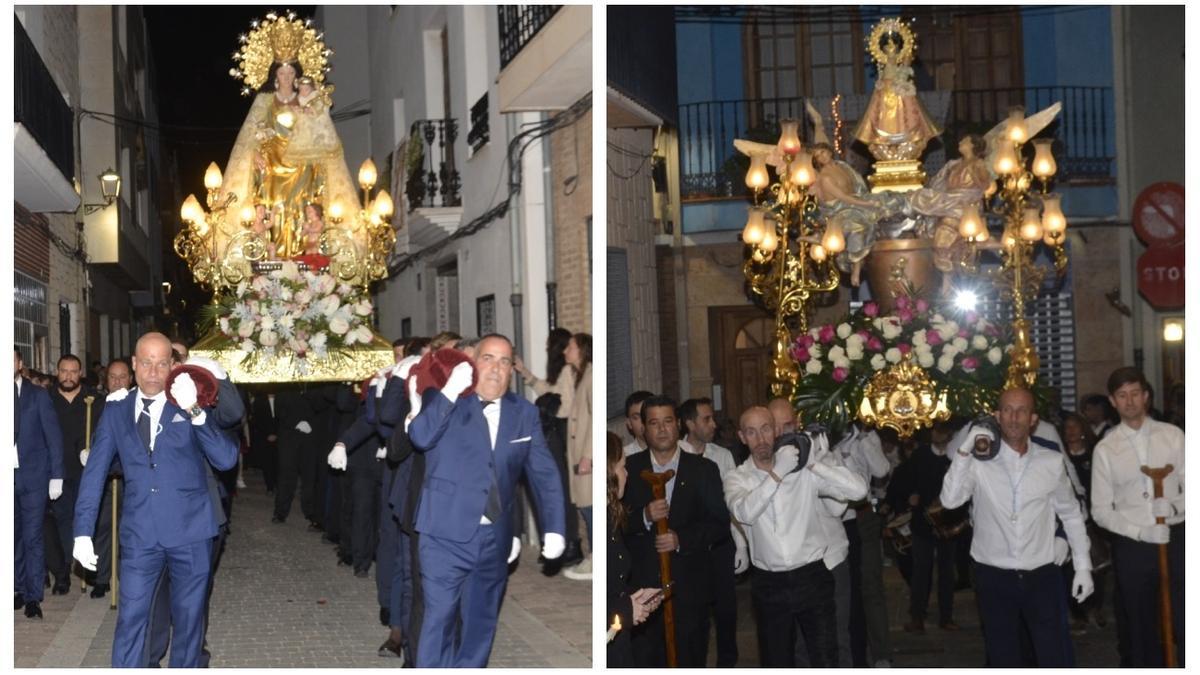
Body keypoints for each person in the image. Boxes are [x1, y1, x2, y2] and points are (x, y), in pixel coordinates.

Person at [72, 332, 238, 667]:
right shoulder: (116, 409)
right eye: (146, 363)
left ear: (172, 366)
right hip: (140, 535)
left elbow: (227, 459)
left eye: (162, 363)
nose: (153, 371)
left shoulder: (187, 400)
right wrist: (82, 532)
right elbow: (95, 473)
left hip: (191, 532)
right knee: (131, 619)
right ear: (134, 365)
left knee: (189, 624)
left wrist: (196, 411)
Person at [408, 334, 566, 667]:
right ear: (472, 362)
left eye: (505, 361)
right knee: (439, 620)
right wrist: (450, 390)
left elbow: (544, 473)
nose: (496, 368)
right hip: (443, 534)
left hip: (493, 539)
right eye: (488, 358)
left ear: (512, 370)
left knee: (480, 627)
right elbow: (420, 437)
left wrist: (555, 528)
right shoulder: (447, 401)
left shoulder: (522, 413)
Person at [940, 387, 1093, 666]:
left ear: (1033, 419)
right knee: (1003, 658)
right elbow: (950, 501)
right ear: (997, 416)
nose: (1013, 418)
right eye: (1007, 410)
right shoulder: (978, 462)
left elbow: (1071, 514)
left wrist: (1083, 566)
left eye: (1021, 411)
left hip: (1042, 575)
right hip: (993, 576)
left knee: (1053, 657)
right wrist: (964, 450)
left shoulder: (1051, 460)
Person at [724, 406, 866, 666]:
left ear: (777, 430)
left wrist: (815, 463)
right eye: (751, 432)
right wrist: (777, 474)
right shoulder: (737, 478)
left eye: (766, 429)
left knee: (826, 658)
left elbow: (858, 491)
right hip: (769, 584)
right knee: (776, 661)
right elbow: (744, 513)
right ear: (742, 437)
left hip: (811, 576)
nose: (760, 439)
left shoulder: (802, 470)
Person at [622, 395, 731, 667]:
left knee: (689, 658)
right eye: (654, 423)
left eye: (668, 421)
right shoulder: (629, 469)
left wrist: (681, 539)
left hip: (689, 591)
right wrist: (644, 517)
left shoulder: (703, 470)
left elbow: (718, 524)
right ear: (643, 429)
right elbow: (615, 524)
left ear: (679, 424)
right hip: (643, 594)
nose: (662, 429)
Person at [1090, 367, 1184, 666]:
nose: (1129, 401)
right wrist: (1140, 532)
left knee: (1183, 615)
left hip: (1176, 538)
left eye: (1135, 394)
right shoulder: (1105, 449)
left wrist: (1175, 507)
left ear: (1145, 396)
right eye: (1122, 396)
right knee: (1139, 622)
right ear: (1113, 401)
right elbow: (1101, 510)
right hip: (1132, 545)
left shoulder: (1173, 436)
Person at [677, 396, 742, 667]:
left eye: (712, 418)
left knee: (727, 612)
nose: (713, 424)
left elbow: (734, 504)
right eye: (706, 419)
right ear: (690, 423)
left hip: (720, 546)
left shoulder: (722, 456)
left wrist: (741, 544)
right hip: (690, 549)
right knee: (696, 617)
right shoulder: (676, 455)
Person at [514, 327, 585, 570]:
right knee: (561, 489)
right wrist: (525, 373)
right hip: (559, 433)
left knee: (562, 489)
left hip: (560, 434)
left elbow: (564, 406)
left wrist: (547, 406)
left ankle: (569, 543)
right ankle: (565, 543)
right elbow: (550, 390)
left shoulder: (568, 370)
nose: (547, 349)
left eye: (549, 345)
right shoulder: (565, 371)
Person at [46, 354, 106, 597]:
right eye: (63, 371)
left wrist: (91, 447)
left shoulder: (94, 399)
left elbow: (103, 431)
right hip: (56, 472)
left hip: (86, 471)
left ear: (80, 373)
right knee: (60, 522)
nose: (68, 376)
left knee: (87, 519)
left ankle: (89, 568)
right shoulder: (47, 398)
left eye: (73, 371)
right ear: (57, 372)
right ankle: (62, 574)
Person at [14, 347, 66, 620]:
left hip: (34, 477)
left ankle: (34, 596)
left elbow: (53, 436)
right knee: (12, 537)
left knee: (33, 536)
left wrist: (56, 475)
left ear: (20, 363)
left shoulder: (37, 396)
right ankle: (17, 589)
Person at [607, 431, 663, 667]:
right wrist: (628, 608)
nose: (626, 474)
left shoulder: (611, 518)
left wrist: (636, 597)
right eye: (622, 466)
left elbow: (614, 582)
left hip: (619, 641)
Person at [904, 420, 964, 634]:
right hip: (922, 521)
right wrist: (911, 495)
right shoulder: (920, 455)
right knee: (921, 572)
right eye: (936, 431)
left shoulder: (955, 457)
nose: (939, 436)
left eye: (943, 432)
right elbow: (907, 479)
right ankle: (917, 616)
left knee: (947, 572)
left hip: (947, 521)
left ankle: (946, 617)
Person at [1059, 412, 1108, 631]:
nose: (1070, 431)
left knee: (1097, 567)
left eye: (1075, 427)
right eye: (1067, 427)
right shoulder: (1059, 457)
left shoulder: (1094, 454)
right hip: (1069, 518)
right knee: (1071, 568)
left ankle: (1096, 607)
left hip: (1093, 518)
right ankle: (1078, 612)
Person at [562, 333, 595, 581]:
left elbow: (594, 417)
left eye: (570, 347)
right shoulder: (580, 376)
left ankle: (595, 559)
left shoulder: (592, 376)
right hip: (578, 456)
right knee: (586, 508)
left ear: (582, 350)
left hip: (586, 458)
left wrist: (588, 456)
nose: (566, 351)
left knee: (590, 508)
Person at [622, 390, 653, 457]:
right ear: (629, 423)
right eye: (636, 417)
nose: (643, 421)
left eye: (647, 415)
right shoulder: (624, 456)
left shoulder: (678, 449)